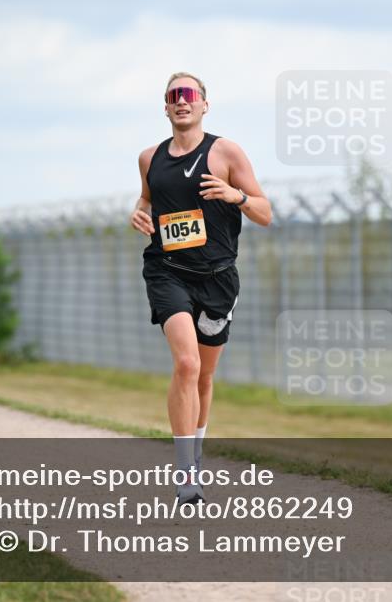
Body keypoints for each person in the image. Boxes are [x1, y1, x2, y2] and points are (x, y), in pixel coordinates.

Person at [131, 73, 272, 503]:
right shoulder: (149, 157)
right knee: (187, 364)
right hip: (167, 270)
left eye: (189, 95)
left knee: (206, 375)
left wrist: (236, 197)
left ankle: (197, 453)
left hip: (218, 278)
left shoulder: (225, 151)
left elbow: (265, 211)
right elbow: (145, 201)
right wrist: (138, 214)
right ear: (166, 107)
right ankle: (184, 471)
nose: (182, 102)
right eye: (174, 96)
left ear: (205, 105)